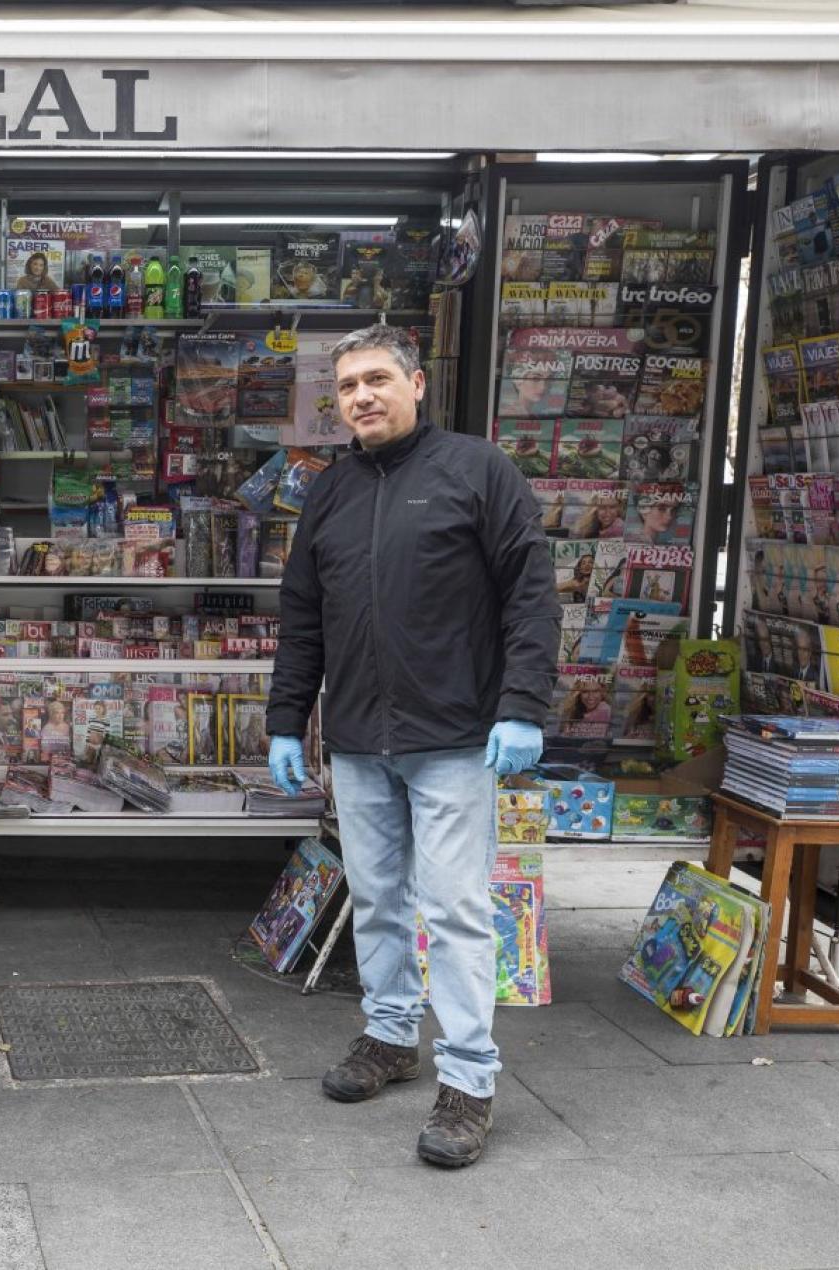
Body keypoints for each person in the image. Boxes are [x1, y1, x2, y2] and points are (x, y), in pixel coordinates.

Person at [264, 324, 559, 1169]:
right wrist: (288, 720)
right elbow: (302, 616)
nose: (361, 396)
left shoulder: (479, 471)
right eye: (348, 384)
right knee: (379, 897)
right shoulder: (327, 491)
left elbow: (530, 597)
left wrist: (522, 707)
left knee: (457, 911)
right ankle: (390, 1038)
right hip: (358, 738)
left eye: (377, 379)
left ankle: (469, 1083)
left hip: (456, 736)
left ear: (417, 383)